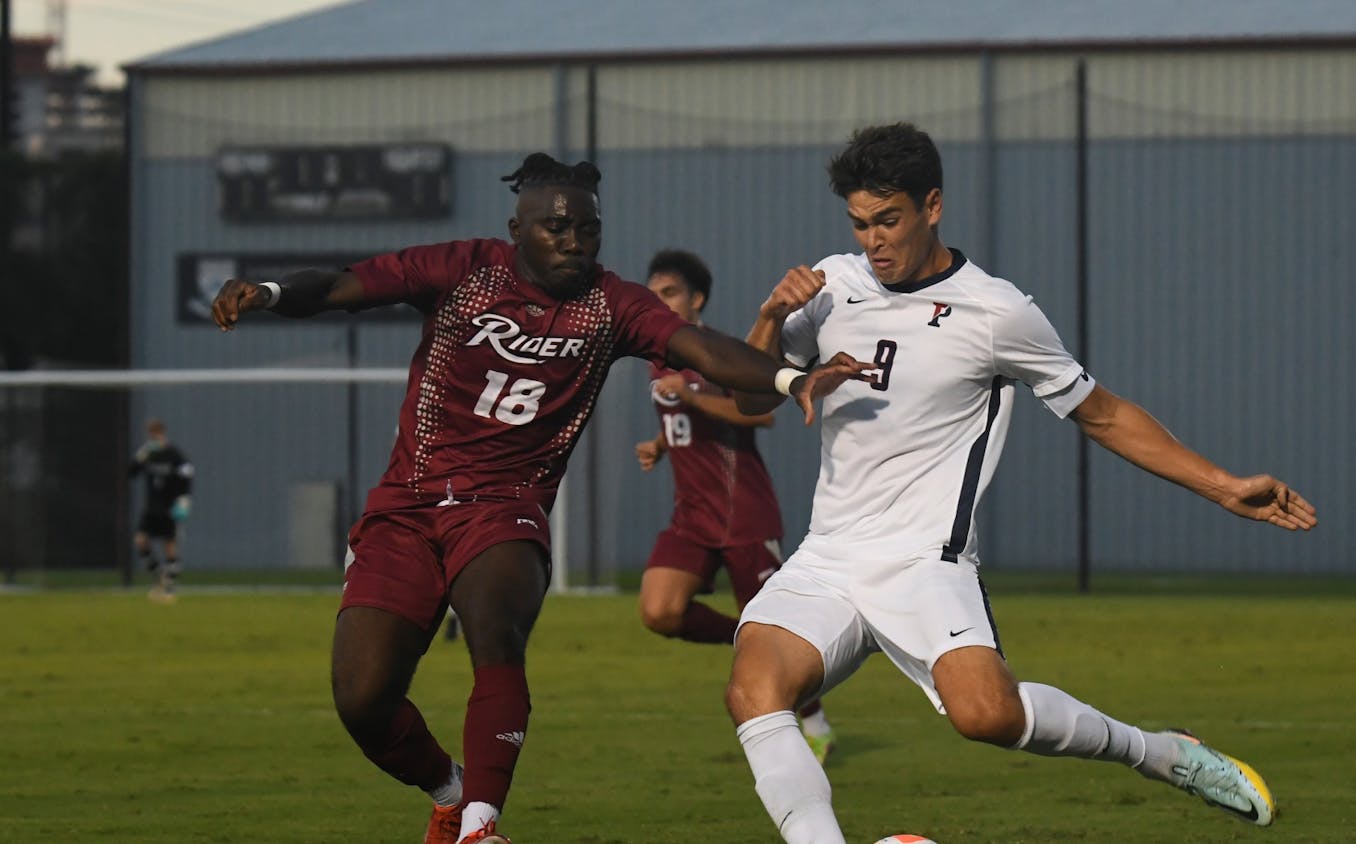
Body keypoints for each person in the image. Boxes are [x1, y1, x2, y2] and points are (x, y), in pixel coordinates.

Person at [209, 153, 868, 844]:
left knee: (496, 631)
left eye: (588, 229)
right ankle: (451, 791)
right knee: (363, 700)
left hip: (506, 506)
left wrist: (796, 380)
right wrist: (271, 292)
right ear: (516, 228)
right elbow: (346, 286)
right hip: (406, 504)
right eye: (556, 228)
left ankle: (481, 826)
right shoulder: (464, 268)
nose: (574, 240)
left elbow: (699, 347)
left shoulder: (612, 304)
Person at [726, 123, 1319, 843]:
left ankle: (1163, 752)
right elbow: (751, 400)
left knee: (988, 717)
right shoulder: (831, 285)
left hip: (924, 560)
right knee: (755, 690)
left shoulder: (996, 311)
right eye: (859, 224)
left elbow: (1101, 414)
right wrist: (768, 319)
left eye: (889, 220)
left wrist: (1222, 485)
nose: (873, 241)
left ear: (932, 205)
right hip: (831, 555)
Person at [633, 249, 835, 763]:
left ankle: (813, 722)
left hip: (742, 514)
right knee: (659, 610)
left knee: (773, 635)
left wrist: (695, 396)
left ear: (696, 299)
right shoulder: (659, 359)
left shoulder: (719, 353)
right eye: (652, 294)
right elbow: (680, 420)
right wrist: (659, 444)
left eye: (669, 293)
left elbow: (760, 418)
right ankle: (738, 636)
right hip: (692, 517)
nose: (658, 303)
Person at [127, 418, 193, 602]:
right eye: (151, 434)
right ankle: (158, 576)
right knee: (141, 540)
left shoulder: (174, 454)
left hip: (169, 507)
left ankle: (170, 588)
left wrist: (184, 500)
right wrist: (140, 456)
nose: (153, 437)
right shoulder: (148, 453)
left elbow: (187, 474)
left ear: (162, 433)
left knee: (170, 546)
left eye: (156, 433)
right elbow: (131, 472)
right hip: (151, 507)